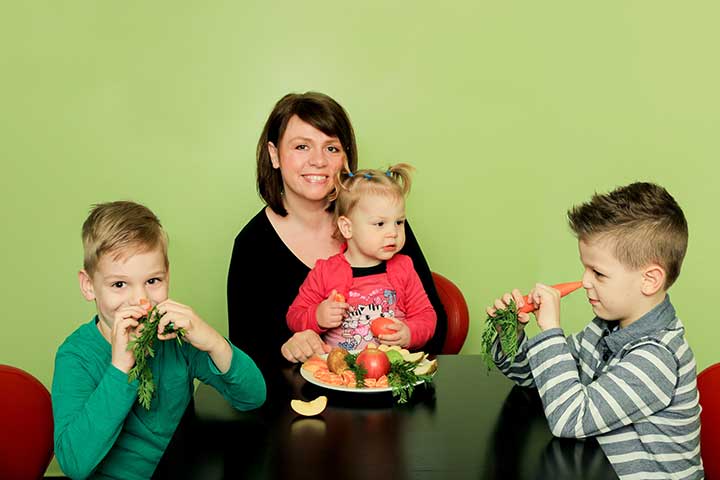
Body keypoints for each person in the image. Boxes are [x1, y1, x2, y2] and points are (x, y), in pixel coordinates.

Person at [486, 182, 703, 479]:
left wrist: (551, 330)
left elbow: (570, 417)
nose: (585, 281)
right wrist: (508, 334)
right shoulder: (604, 329)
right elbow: (536, 377)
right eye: (585, 268)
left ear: (650, 280)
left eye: (598, 273)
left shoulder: (657, 359)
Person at [227, 92, 447, 372]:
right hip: (293, 405)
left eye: (331, 148)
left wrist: (403, 336)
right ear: (274, 155)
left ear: (346, 158)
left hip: (387, 396)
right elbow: (245, 354)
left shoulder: (384, 224)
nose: (318, 161)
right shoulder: (252, 245)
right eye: (302, 147)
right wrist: (288, 346)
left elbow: (435, 325)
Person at [52, 201, 266, 479]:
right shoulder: (76, 356)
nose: (140, 300)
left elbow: (252, 397)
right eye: (119, 284)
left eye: (153, 281)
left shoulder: (177, 339)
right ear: (89, 286)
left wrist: (213, 341)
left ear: (167, 276)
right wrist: (119, 368)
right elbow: (74, 464)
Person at [286, 163, 436, 351]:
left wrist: (409, 334)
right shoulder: (325, 272)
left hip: (391, 372)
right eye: (380, 224)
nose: (393, 232)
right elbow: (294, 316)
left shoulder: (403, 267)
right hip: (340, 374)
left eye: (399, 222)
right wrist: (318, 316)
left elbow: (426, 315)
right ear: (347, 227)